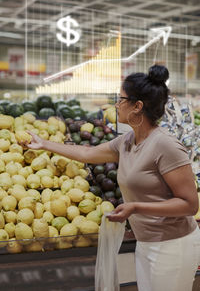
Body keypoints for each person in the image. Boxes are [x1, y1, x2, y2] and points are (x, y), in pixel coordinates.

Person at [24, 65, 200, 291]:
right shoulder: (128, 140)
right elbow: (88, 153)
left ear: (137, 106)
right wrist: (44, 144)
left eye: (120, 99)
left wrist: (135, 207)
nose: (115, 105)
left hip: (172, 245)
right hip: (146, 242)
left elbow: (189, 204)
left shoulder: (165, 146)